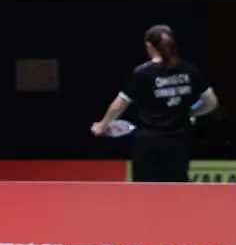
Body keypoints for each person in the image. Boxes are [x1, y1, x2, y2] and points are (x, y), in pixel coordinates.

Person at [91, 24, 219, 182]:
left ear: (149, 46)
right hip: (179, 143)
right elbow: (211, 102)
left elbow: (119, 105)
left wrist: (102, 125)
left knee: (145, 192)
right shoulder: (189, 69)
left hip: (147, 144)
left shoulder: (143, 73)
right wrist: (190, 112)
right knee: (177, 190)